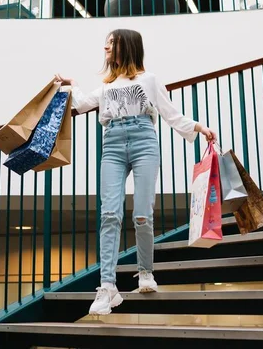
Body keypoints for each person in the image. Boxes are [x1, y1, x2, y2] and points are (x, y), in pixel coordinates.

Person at [55, 29, 216, 315]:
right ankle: (107, 287)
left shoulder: (149, 80)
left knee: (142, 213)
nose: (105, 46)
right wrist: (73, 84)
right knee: (109, 214)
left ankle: (145, 273)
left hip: (144, 141)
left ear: (126, 46)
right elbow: (80, 104)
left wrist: (199, 128)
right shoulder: (106, 86)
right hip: (113, 144)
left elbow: (170, 113)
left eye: (112, 42)